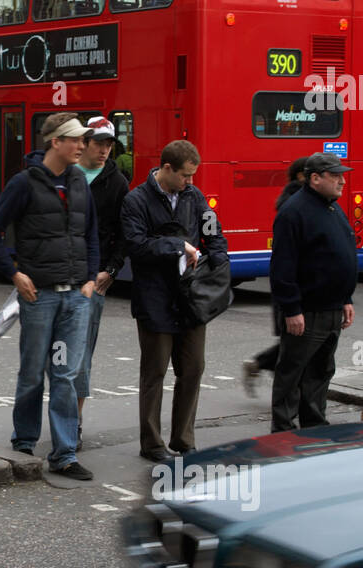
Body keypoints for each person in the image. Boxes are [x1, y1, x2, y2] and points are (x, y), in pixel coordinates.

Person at [0, 113, 99, 482]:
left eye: (83, 140)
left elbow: (92, 234)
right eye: (76, 140)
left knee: (65, 376)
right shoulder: (24, 184)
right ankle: (24, 443)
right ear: (55, 142)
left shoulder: (80, 181)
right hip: (40, 298)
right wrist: (15, 275)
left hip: (76, 299)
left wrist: (91, 280)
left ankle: (64, 454)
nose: (82, 146)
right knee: (32, 374)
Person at [120, 139, 228, 464]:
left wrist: (218, 263)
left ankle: (183, 440)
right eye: (185, 175)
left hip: (190, 297)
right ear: (166, 169)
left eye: (193, 175)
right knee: (154, 372)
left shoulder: (193, 198)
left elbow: (214, 233)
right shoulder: (136, 200)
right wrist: (179, 245)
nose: (191, 182)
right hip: (154, 297)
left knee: (193, 368)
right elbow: (137, 246)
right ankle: (152, 444)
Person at [269, 152, 356, 433]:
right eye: (336, 175)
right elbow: (283, 267)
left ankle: (314, 428)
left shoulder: (332, 207)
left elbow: (340, 256)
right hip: (306, 311)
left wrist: (345, 298)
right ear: (315, 178)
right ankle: (283, 432)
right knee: (292, 374)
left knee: (320, 373)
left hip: (332, 308)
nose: (343, 180)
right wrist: (292, 309)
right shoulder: (294, 212)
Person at [74, 117, 130, 446]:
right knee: (50, 354)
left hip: (94, 278)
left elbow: (124, 233)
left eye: (110, 144)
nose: (105, 150)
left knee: (81, 355)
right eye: (99, 143)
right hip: (58, 276)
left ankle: (74, 421)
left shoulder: (117, 182)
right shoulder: (65, 174)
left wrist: (112, 268)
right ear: (84, 142)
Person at [243, 156, 308, 394]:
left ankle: (261, 365)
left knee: (296, 344)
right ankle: (285, 396)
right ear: (302, 176)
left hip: (300, 290)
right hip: (296, 289)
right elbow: (286, 259)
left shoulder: (302, 201)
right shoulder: (294, 206)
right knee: (295, 345)